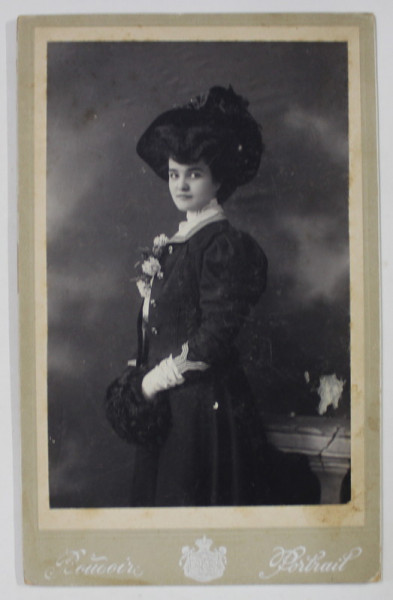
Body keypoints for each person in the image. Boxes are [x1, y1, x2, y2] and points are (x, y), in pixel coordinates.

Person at [116, 86, 271, 507]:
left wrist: (153, 380)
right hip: (172, 413)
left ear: (218, 178)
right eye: (173, 174)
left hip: (203, 414)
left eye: (194, 173)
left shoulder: (222, 245)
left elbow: (215, 337)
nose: (181, 184)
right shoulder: (180, 241)